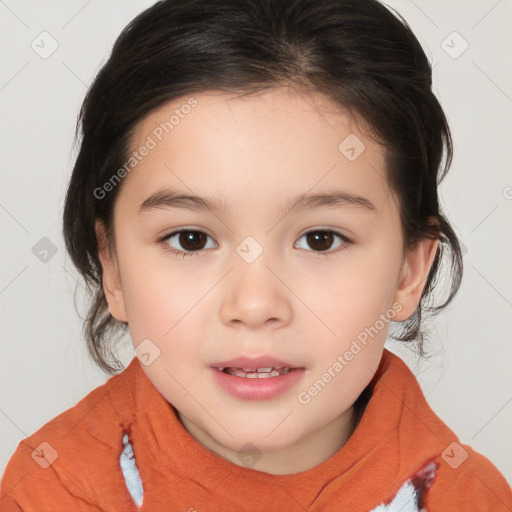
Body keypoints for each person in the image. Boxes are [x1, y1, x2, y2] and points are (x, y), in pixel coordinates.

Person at [1, 0, 511, 510]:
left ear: (409, 271)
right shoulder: (56, 488)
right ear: (112, 267)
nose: (254, 304)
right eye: (191, 239)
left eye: (320, 239)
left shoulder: (466, 498)